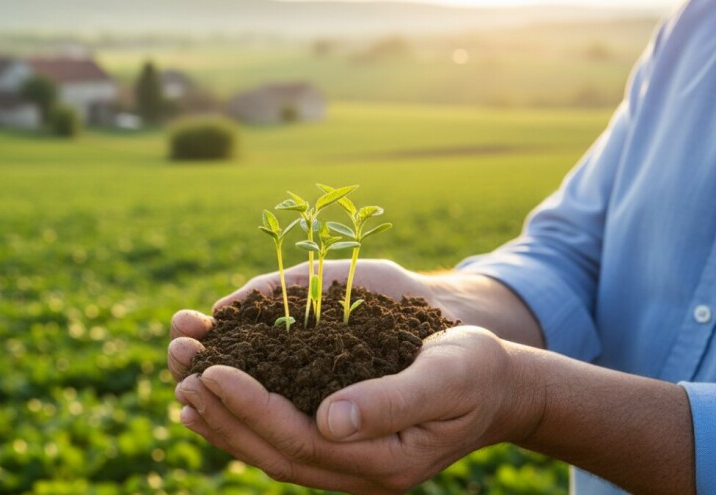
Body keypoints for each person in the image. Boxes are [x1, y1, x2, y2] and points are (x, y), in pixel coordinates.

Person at [167, 0, 716, 492]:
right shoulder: (694, 29)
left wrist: (530, 400)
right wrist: (436, 307)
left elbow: (528, 387)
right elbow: (574, 252)